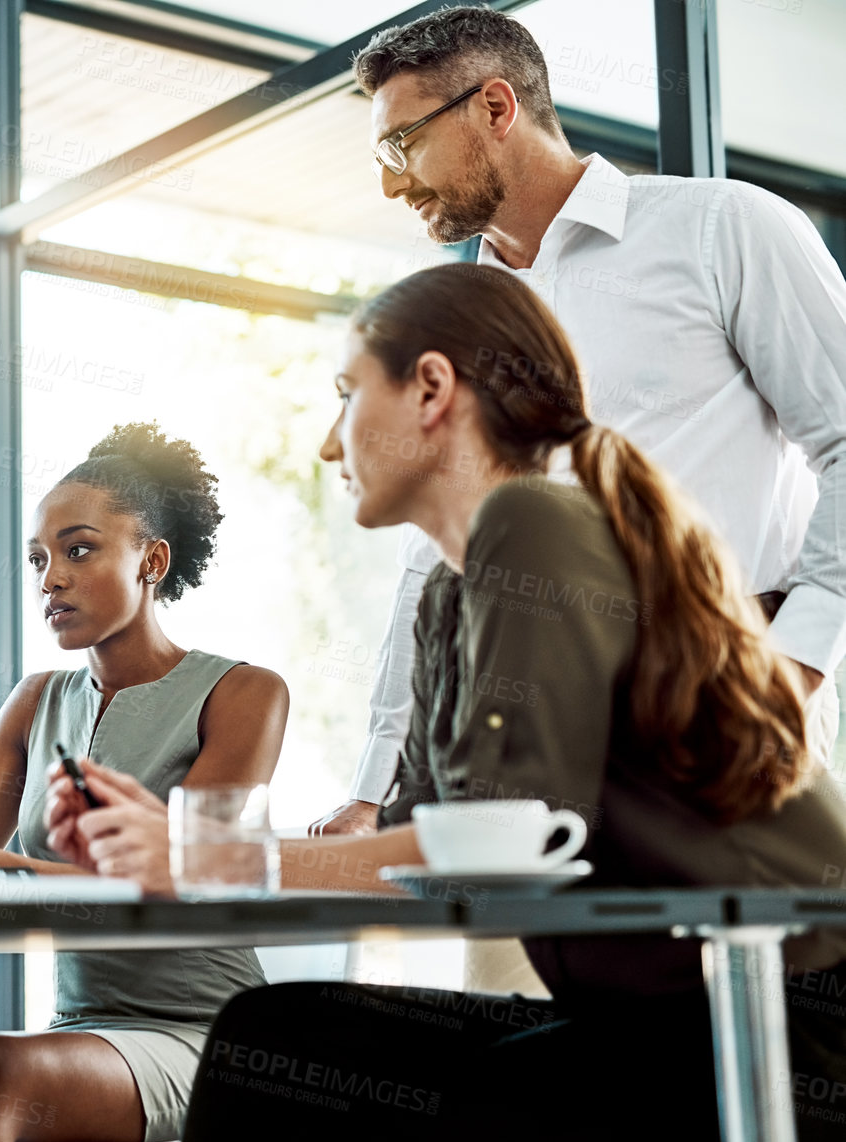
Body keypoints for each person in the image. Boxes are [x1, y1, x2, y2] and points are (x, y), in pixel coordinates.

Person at [61, 264, 846, 1142]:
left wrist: (208, 857)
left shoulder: (533, 523)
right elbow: (436, 858)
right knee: (271, 1038)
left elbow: (508, 841)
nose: (327, 443)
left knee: (374, 1089)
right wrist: (177, 847)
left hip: (792, 1033)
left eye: (346, 394)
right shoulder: (450, 594)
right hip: (658, 1022)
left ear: (431, 387)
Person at [310, 6, 846, 842]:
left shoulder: (721, 229)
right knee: (548, 973)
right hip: (531, 737)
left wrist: (795, 662)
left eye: (401, 143)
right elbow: (432, 556)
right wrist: (375, 785)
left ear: (495, 107)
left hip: (723, 712)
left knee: (747, 972)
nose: (389, 183)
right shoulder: (462, 326)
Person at [0, 423, 289, 1142]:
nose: (49, 578)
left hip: (209, 1038)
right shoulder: (35, 701)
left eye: (78, 548)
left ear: (151, 560)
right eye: (38, 558)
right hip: (80, 1032)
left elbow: (169, 881)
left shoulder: (243, 694)